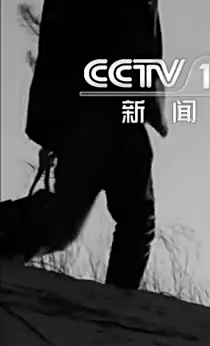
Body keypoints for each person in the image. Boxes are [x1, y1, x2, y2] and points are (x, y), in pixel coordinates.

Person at [16, 0, 168, 289]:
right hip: (96, 110)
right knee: (75, 223)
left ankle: (119, 301)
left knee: (73, 223)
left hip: (104, 111)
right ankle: (119, 300)